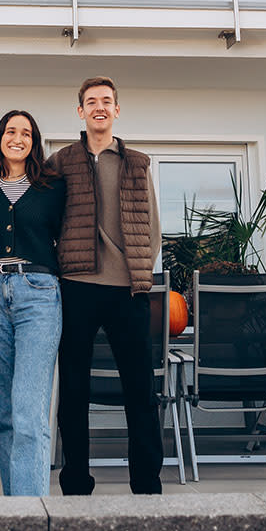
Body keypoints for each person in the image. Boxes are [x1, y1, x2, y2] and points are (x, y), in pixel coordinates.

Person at [51, 75, 163, 496]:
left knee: (140, 389)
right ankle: (76, 481)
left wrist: (139, 268)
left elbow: (152, 226)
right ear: (80, 111)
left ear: (117, 110)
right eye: (91, 101)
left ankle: (147, 484)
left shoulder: (137, 161)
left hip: (128, 291)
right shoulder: (61, 161)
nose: (99, 107)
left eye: (107, 101)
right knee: (75, 390)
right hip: (76, 286)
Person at [0, 109, 66, 496]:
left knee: (29, 413)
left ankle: (32, 515)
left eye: (26, 132)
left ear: (34, 142)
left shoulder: (53, 187)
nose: (18, 137)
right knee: (6, 415)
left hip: (39, 294)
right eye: (10, 130)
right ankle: (16, 509)